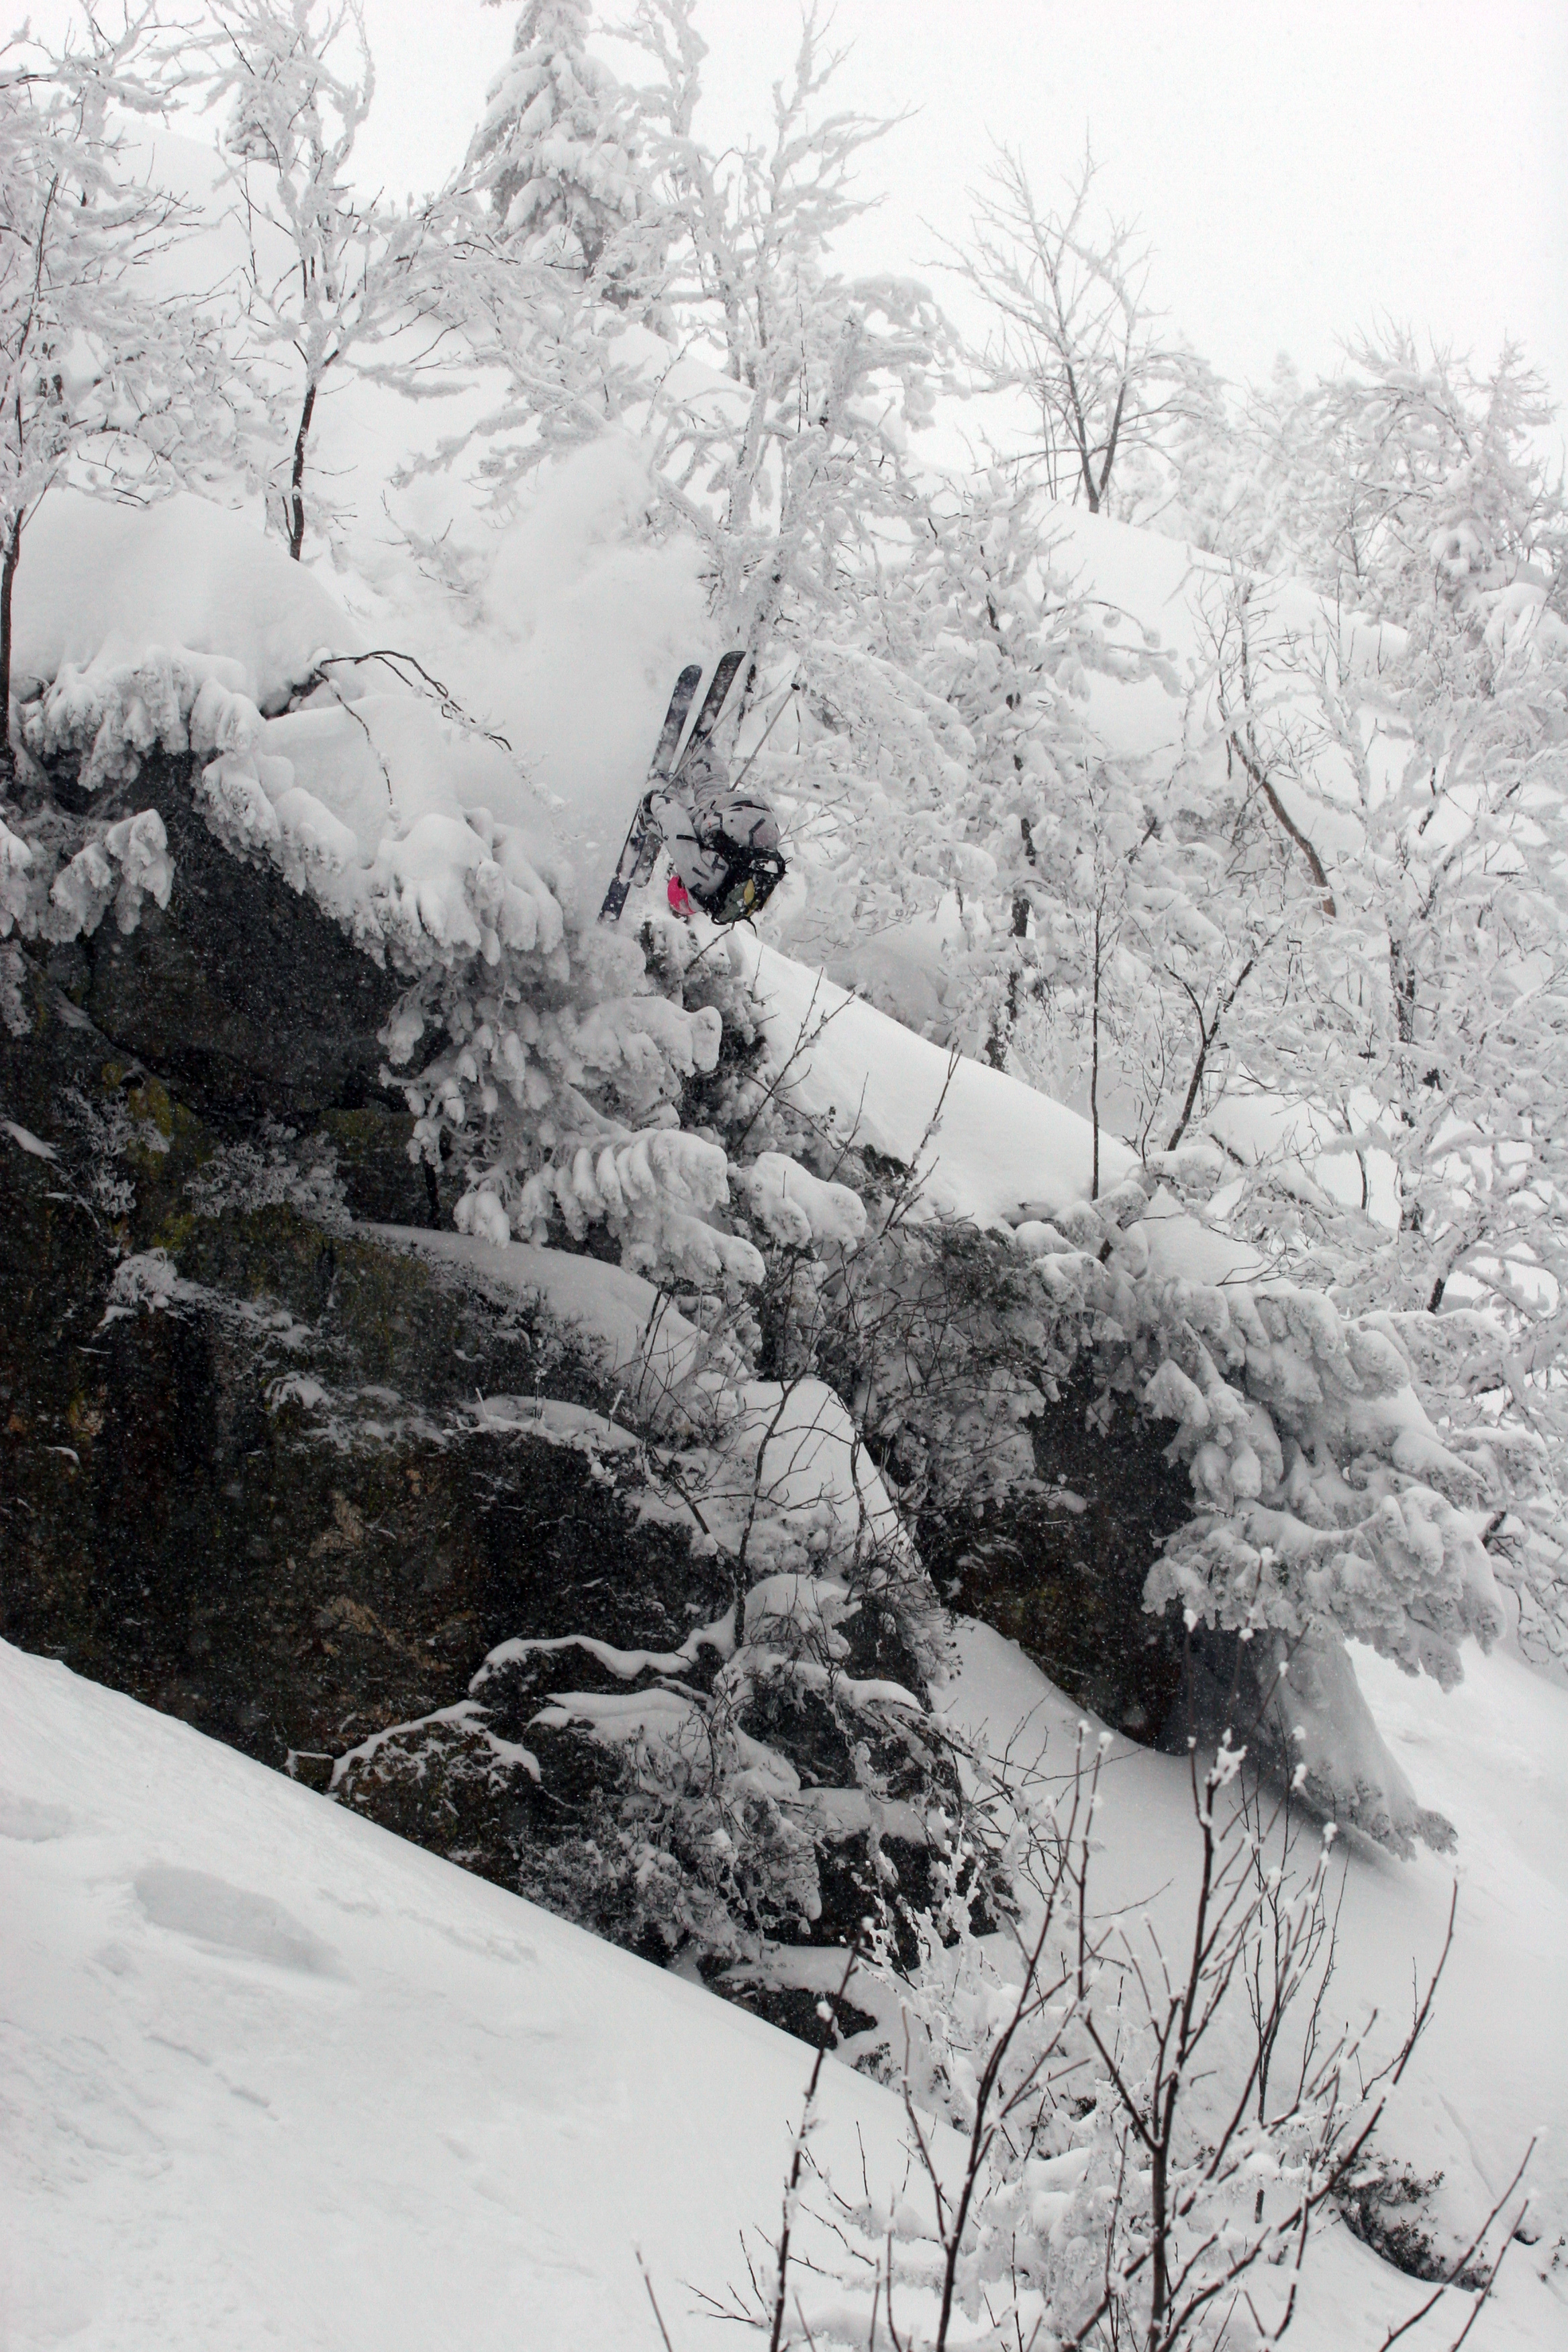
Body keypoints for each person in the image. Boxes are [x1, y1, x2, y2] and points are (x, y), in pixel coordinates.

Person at [646, 732, 785, 922]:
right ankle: (661, 782)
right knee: (685, 825)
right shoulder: (697, 883)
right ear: (681, 887)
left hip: (765, 821)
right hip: (736, 820)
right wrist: (652, 801)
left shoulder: (726, 902)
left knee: (712, 801)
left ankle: (704, 753)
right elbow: (676, 826)